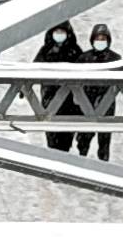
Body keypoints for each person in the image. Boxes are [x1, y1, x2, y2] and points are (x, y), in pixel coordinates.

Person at [31, 21, 90, 154]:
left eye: (62, 32)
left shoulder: (74, 50)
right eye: (56, 32)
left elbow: (83, 72)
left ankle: (62, 158)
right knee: (52, 135)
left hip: (70, 103)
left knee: (65, 136)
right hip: (50, 99)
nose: (59, 35)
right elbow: (34, 68)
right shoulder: (45, 51)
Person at [80, 24, 123, 161]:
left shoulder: (115, 58)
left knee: (104, 139)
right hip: (86, 101)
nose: (100, 41)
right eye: (98, 38)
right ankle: (81, 163)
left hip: (107, 102)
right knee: (84, 138)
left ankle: (104, 165)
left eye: (103, 39)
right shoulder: (84, 58)